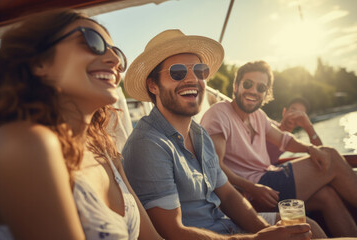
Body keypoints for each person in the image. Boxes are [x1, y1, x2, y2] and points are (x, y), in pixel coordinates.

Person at [121, 29, 329, 239]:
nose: (192, 79)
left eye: (200, 71)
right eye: (177, 72)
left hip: (227, 227)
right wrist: (258, 239)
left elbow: (228, 195)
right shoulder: (149, 145)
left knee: (306, 228)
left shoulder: (199, 133)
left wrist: (266, 231)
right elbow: (173, 233)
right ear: (153, 85)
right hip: (212, 234)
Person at [0, 9, 162, 240]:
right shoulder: (25, 143)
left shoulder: (104, 149)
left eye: (117, 53)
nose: (115, 61)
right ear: (39, 62)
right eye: (91, 41)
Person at [200, 60, 357, 237]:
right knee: (332, 156)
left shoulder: (258, 116)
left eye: (261, 88)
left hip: (270, 181)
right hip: (252, 191)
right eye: (248, 84)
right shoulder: (219, 114)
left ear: (266, 93)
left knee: (327, 196)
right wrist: (252, 188)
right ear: (236, 86)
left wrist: (309, 148)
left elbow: (284, 140)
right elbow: (215, 166)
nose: (253, 91)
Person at [266, 97, 322, 165]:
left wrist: (308, 126)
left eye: (300, 114)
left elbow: (321, 152)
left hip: (272, 167)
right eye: (292, 111)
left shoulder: (291, 140)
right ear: (284, 112)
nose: (294, 116)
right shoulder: (269, 125)